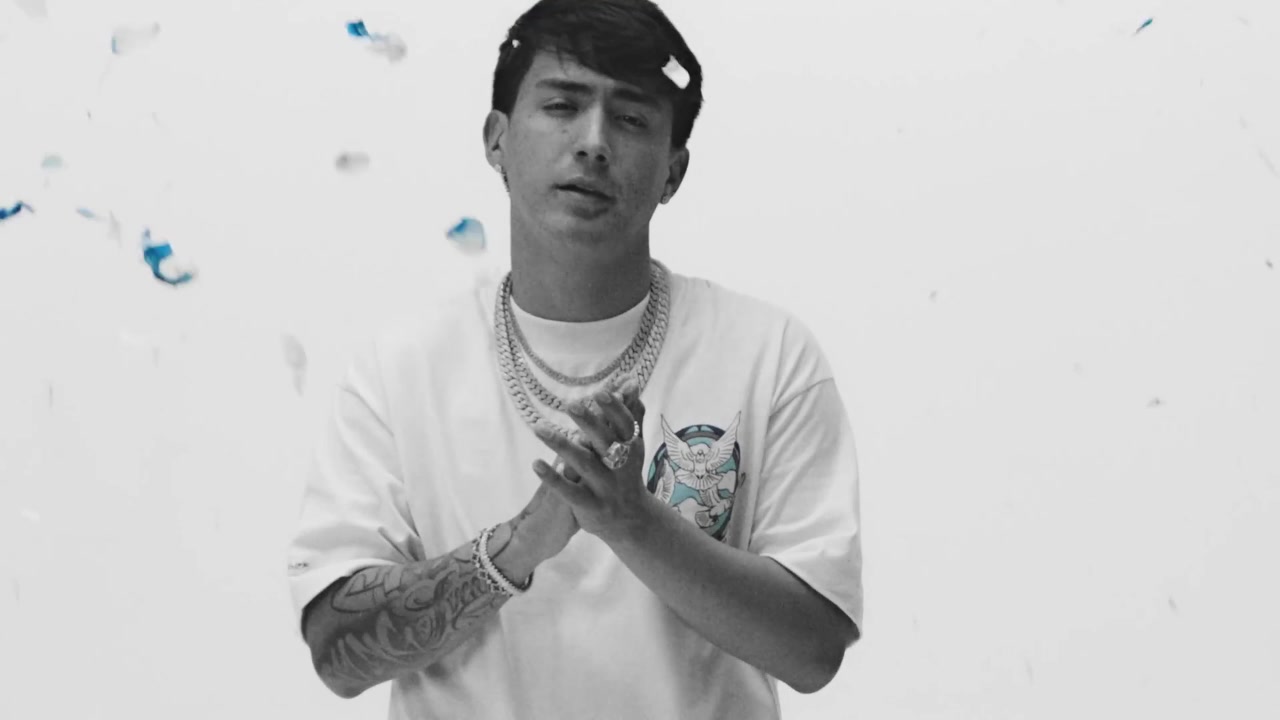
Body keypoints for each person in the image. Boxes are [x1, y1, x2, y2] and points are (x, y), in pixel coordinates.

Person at [285, 1, 863, 717]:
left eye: (631, 118)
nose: (593, 142)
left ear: (674, 170)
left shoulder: (767, 353)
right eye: (562, 105)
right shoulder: (400, 369)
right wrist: (519, 547)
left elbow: (813, 653)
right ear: (496, 139)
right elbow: (336, 653)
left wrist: (633, 522)